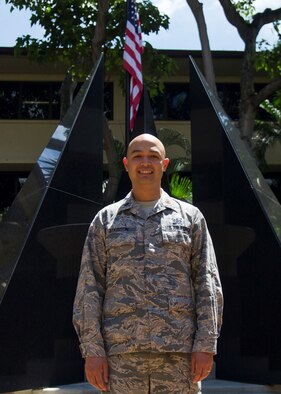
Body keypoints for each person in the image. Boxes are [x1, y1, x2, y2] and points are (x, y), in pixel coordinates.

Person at [73, 133, 223, 393]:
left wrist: (205, 345)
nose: (145, 162)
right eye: (137, 156)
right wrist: (92, 351)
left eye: (153, 156)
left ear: (164, 164)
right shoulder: (105, 221)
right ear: (126, 164)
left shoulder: (190, 218)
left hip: (179, 356)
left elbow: (207, 284)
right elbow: (89, 288)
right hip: (122, 357)